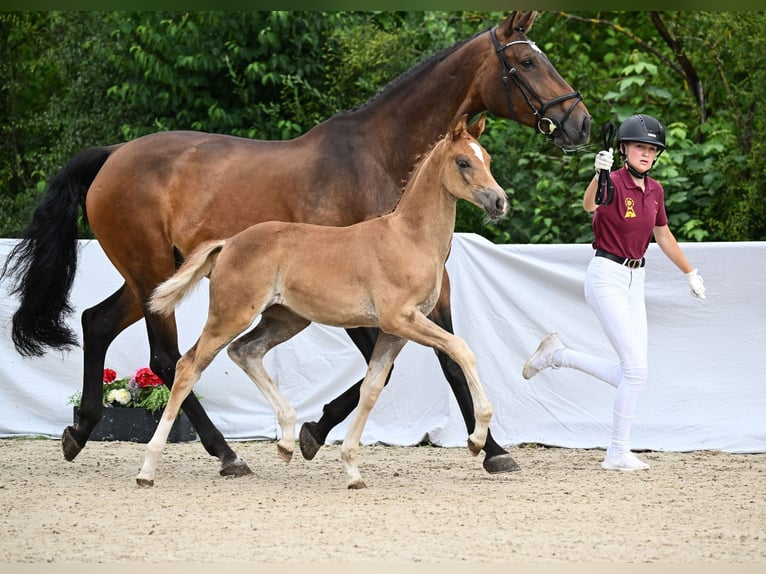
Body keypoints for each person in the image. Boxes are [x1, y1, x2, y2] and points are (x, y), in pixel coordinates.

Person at [521, 113, 706, 472]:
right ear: (623, 149)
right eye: (640, 147)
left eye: (652, 149)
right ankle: (617, 453)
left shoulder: (655, 190)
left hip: (637, 279)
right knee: (635, 370)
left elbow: (662, 235)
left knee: (634, 371)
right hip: (606, 274)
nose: (647, 154)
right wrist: (598, 172)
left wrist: (690, 272)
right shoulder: (612, 180)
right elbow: (590, 205)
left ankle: (557, 355)